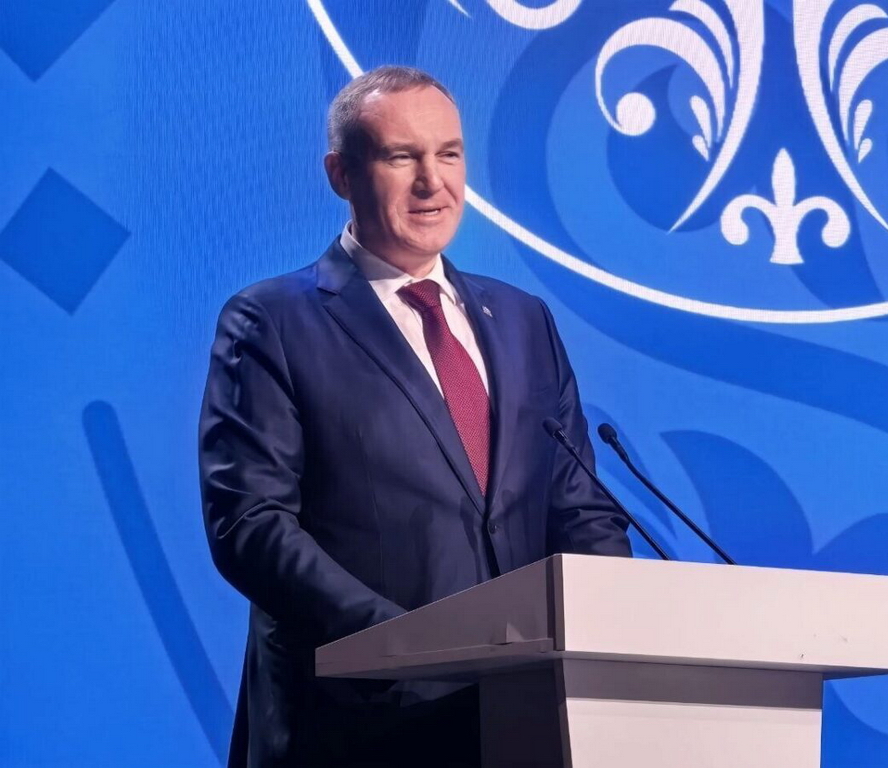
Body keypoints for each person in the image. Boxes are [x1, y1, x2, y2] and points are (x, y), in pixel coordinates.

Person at [199, 65, 631, 768]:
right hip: (355, 724)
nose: (433, 182)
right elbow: (250, 524)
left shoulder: (523, 320)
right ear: (341, 174)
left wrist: (614, 632)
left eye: (449, 154)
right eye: (403, 157)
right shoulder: (272, 322)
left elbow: (579, 509)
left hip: (525, 719)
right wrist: (406, 644)